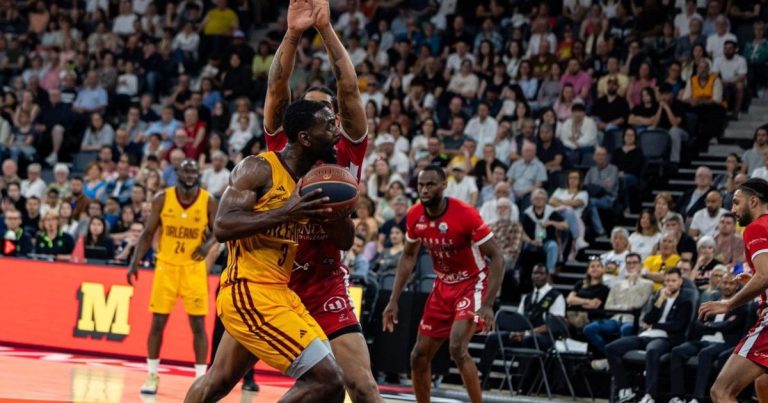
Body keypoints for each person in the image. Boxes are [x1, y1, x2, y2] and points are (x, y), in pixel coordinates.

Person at [185, 100, 346, 403]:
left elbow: (346, 241)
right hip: (248, 290)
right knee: (328, 380)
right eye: (328, 125)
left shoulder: (315, 180)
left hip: (280, 293)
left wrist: (341, 209)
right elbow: (222, 225)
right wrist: (285, 213)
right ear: (305, 138)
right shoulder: (259, 168)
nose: (336, 131)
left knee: (216, 383)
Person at [382, 165, 504, 403]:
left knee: (457, 348)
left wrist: (489, 303)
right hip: (442, 286)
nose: (424, 190)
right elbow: (408, 256)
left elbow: (498, 257)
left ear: (444, 185)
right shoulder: (415, 215)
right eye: (420, 185)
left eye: (430, 184)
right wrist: (393, 299)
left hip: (472, 282)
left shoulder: (465, 214)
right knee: (418, 356)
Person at [127, 159, 218, 395]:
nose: (190, 174)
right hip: (166, 267)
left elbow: (220, 228)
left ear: (198, 174)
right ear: (178, 173)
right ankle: (151, 375)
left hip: (193, 269)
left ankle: (200, 380)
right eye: (186, 170)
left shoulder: (208, 200)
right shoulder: (162, 198)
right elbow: (148, 232)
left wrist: (208, 245)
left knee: (198, 325)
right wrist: (133, 262)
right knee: (158, 323)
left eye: (194, 171)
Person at [700, 178, 768, 403]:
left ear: (754, 201)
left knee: (721, 391)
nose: (733, 210)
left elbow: (765, 274)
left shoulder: (756, 227)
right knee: (763, 385)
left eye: (737, 203)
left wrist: (728, 304)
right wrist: (756, 280)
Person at [607, 268, 695, 403]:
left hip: (665, 338)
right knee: (611, 348)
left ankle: (650, 395)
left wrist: (655, 326)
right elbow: (647, 319)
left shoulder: (685, 301)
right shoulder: (659, 297)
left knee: (652, 350)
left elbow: (677, 326)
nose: (669, 284)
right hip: (646, 335)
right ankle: (625, 389)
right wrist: (660, 301)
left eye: (673, 281)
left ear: (680, 282)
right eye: (667, 281)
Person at [478, 264, 566, 388]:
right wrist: (515, 332)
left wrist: (526, 333)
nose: (537, 276)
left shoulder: (556, 296)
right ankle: (482, 379)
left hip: (545, 338)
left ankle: (522, 383)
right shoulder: (527, 297)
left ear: (547, 276)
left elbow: (553, 325)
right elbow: (518, 321)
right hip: (523, 334)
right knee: (493, 338)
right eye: (535, 273)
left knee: (530, 339)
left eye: (541, 273)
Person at [668, 273, 748, 403]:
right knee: (677, 351)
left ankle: (697, 398)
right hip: (703, 340)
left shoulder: (741, 305)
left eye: (731, 283)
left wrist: (709, 325)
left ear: (737, 286)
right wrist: (717, 325)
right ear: (719, 284)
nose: (727, 286)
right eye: (724, 282)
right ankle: (677, 396)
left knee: (705, 353)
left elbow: (731, 326)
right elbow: (697, 324)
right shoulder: (710, 302)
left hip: (724, 343)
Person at [585, 253, 654, 369]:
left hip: (634, 319)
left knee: (625, 329)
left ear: (640, 265)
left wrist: (633, 283)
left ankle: (613, 361)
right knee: (589, 329)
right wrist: (625, 307)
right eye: (629, 263)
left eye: (634, 262)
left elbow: (638, 304)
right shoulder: (617, 284)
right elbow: (608, 306)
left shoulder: (648, 284)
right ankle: (612, 357)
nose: (631, 265)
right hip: (616, 318)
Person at [521, 188, 568, 274]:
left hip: (547, 241)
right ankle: (527, 275)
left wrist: (552, 222)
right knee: (524, 249)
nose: (539, 201)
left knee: (553, 246)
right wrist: (530, 241)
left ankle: (550, 273)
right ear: (532, 200)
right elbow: (521, 231)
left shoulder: (551, 212)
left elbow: (565, 226)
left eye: (541, 199)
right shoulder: (527, 214)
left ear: (546, 200)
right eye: (536, 199)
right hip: (532, 241)